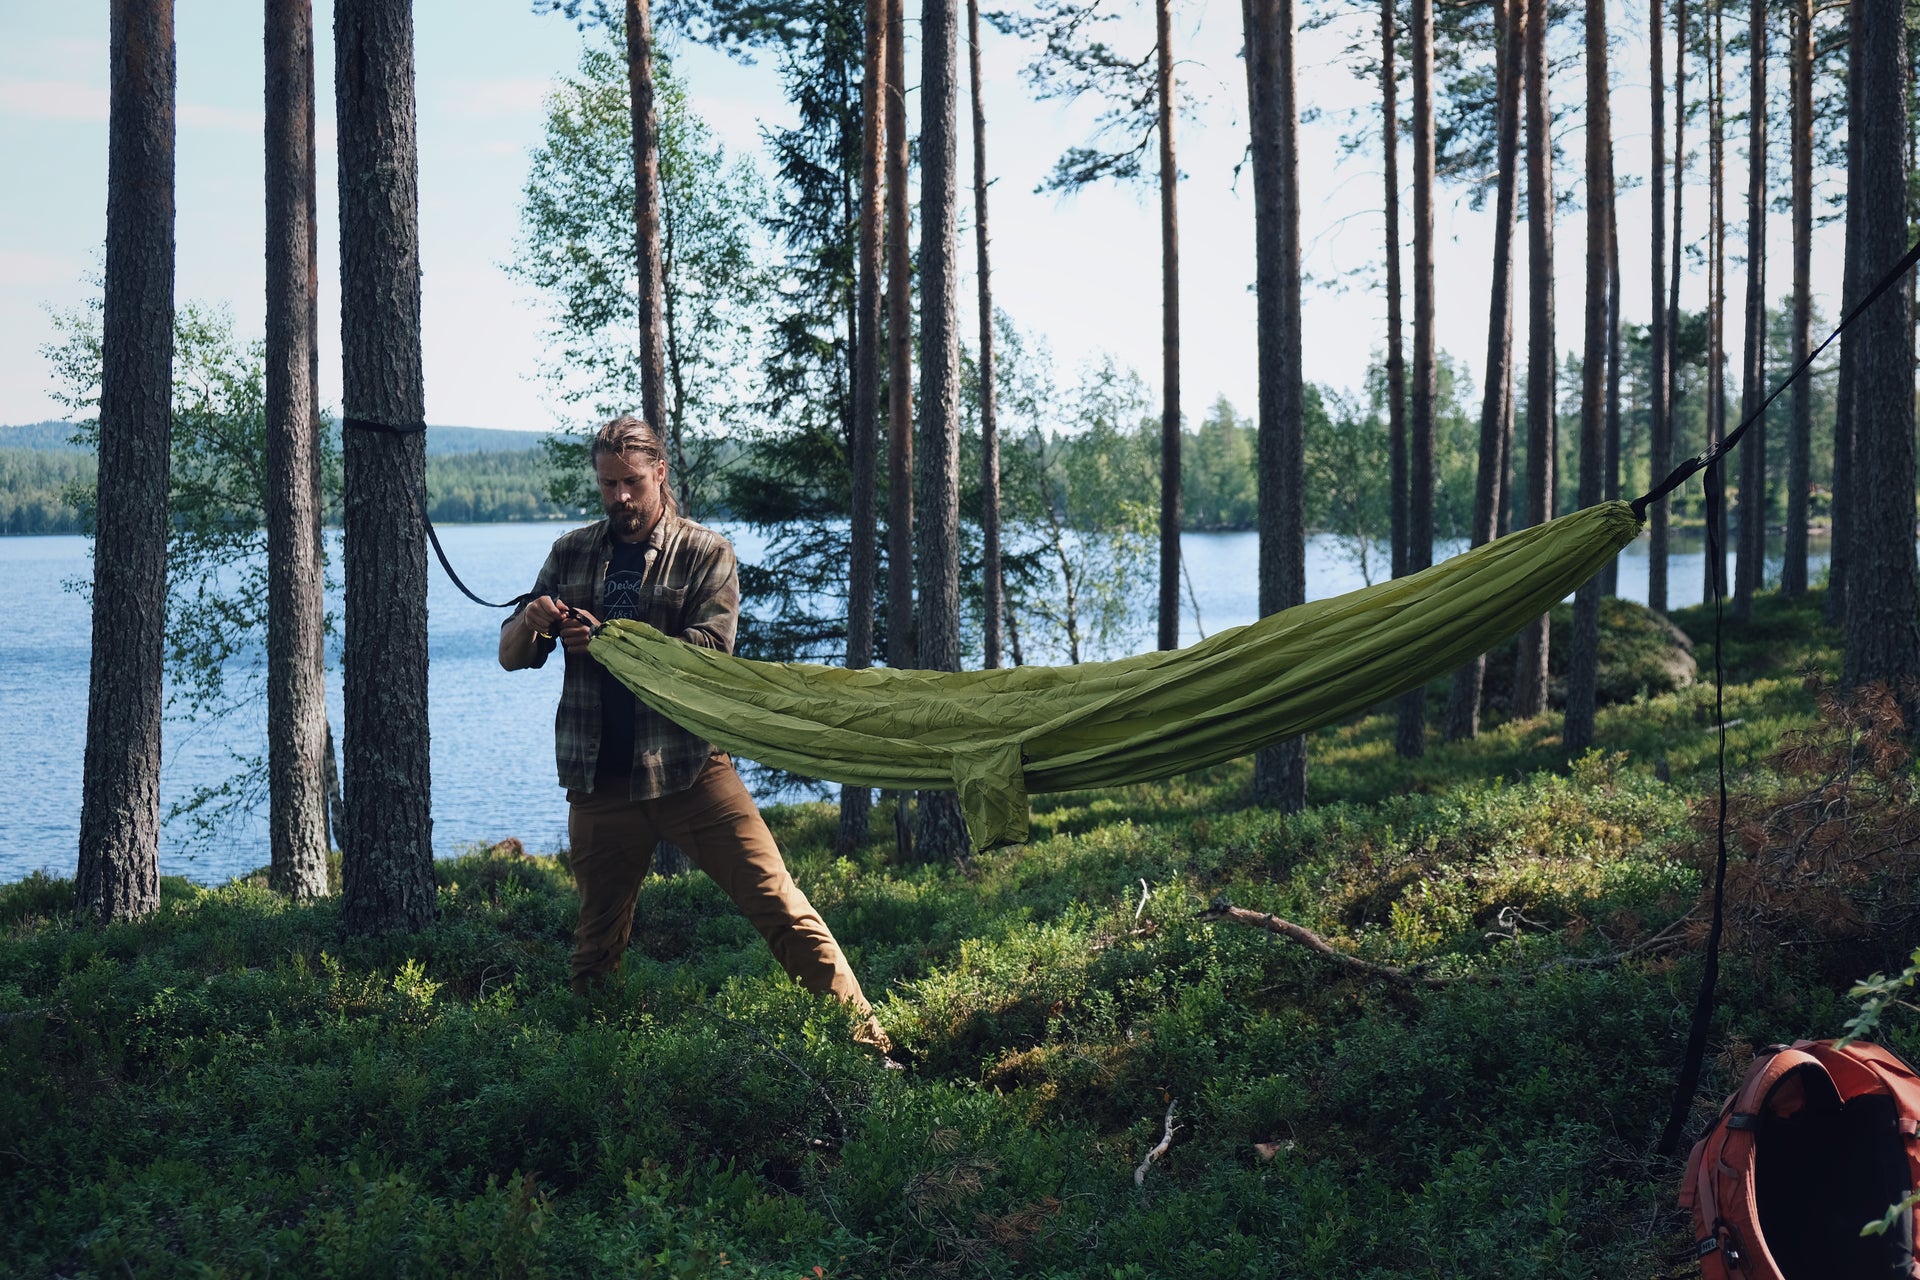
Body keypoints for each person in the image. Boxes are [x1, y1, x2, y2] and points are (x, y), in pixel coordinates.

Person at [499, 414, 894, 1055]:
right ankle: (597, 1071)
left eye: (631, 482)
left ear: (660, 472)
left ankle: (869, 1047)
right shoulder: (570, 552)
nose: (619, 497)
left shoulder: (706, 552)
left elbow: (709, 654)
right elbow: (512, 655)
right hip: (600, 782)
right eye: (607, 484)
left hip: (691, 769)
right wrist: (537, 620)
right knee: (595, 946)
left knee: (780, 906)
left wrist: (603, 638)